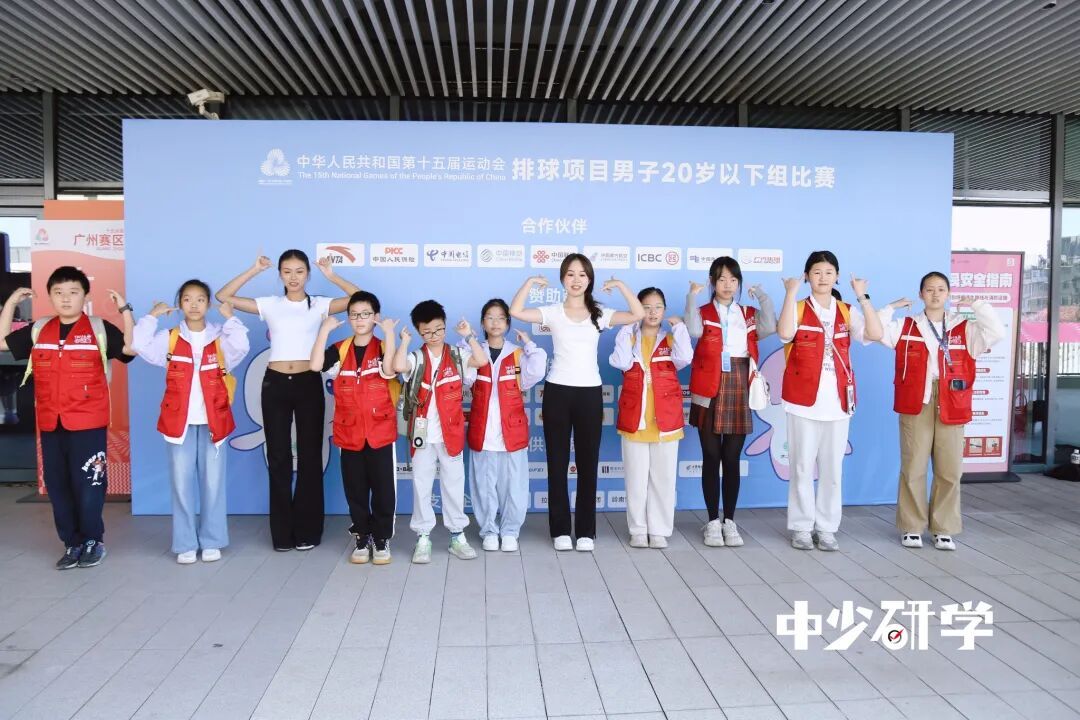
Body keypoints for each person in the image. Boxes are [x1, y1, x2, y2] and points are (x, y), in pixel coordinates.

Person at [216, 250, 358, 551]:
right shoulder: (270, 304)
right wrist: (254, 269)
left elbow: (360, 299)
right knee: (278, 457)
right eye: (287, 271)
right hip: (276, 384)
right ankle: (281, 534)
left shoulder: (319, 305)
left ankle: (308, 532)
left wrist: (332, 276)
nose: (293, 277)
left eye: (299, 271)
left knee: (310, 457)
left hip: (308, 382)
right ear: (280, 274)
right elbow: (223, 296)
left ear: (308, 274)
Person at [0, 267, 136, 569]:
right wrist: (11, 304)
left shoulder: (99, 329)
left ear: (85, 296)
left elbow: (130, 349)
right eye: (58, 293)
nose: (65, 299)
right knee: (58, 485)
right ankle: (72, 544)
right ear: (50, 296)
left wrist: (125, 311)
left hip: (89, 423)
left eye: (73, 292)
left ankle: (93, 541)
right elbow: (2, 342)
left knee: (89, 483)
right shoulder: (40, 329)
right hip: (51, 423)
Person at [510, 254, 645, 551]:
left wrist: (621, 285)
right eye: (570, 274)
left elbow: (636, 314)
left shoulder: (600, 313)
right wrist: (530, 282)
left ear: (590, 279)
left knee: (588, 464)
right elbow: (516, 310)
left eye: (582, 274)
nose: (576, 279)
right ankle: (560, 530)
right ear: (563, 279)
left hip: (589, 393)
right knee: (557, 464)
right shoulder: (553, 312)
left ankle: (585, 531)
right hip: (557, 391)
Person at [878, 272, 1005, 551]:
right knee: (913, 466)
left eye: (941, 289)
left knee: (950, 469)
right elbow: (874, 332)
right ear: (920, 294)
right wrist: (890, 308)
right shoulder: (907, 325)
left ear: (948, 294)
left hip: (952, 400)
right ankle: (911, 527)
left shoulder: (964, 327)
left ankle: (943, 529)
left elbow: (997, 333)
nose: (935, 294)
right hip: (917, 400)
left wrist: (978, 306)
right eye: (929, 289)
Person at [132, 280, 250, 564]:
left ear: (208, 304)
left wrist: (230, 318)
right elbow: (139, 345)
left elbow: (242, 346)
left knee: (213, 484)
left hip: (215, 421)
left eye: (200, 299)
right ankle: (185, 543)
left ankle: (212, 541)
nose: (194, 304)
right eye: (187, 299)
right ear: (180, 304)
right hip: (178, 424)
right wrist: (152, 316)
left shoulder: (220, 338)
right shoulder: (170, 338)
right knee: (181, 485)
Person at [777, 251, 882, 551]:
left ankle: (826, 528)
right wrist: (790, 293)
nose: (822, 278)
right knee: (801, 467)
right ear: (807, 276)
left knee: (832, 470)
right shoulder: (798, 308)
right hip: (802, 402)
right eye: (816, 272)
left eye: (828, 272)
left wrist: (862, 296)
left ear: (836, 276)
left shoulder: (847, 311)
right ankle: (801, 527)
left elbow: (875, 333)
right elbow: (785, 333)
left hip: (838, 402)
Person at [685, 257, 777, 548]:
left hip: (739, 381)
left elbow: (770, 326)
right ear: (712, 282)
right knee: (711, 456)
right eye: (722, 279)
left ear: (739, 283)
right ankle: (712, 521)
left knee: (732, 458)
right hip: (708, 384)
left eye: (733, 280)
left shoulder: (747, 313)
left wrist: (762, 296)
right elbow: (694, 331)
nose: (727, 285)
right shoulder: (702, 311)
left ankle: (730, 521)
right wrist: (692, 296)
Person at [393, 300, 488, 564]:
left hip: (451, 434)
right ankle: (423, 537)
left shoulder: (457, 355)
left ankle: (457, 535)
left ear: (445, 326)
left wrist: (468, 336)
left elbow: (481, 361)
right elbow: (399, 367)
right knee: (421, 484)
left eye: (439, 329)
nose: (434, 335)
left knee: (454, 485)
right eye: (427, 332)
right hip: (422, 434)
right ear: (419, 331)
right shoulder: (417, 357)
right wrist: (404, 342)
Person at [310, 291, 400, 565]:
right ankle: (362, 536)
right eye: (354, 315)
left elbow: (389, 371)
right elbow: (315, 365)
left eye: (365, 314)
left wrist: (389, 335)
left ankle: (381, 538)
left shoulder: (383, 347)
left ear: (375, 317)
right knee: (356, 490)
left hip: (380, 432)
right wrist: (324, 331)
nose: (360, 319)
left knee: (384, 490)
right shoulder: (340, 349)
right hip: (349, 432)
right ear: (348, 318)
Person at [462, 299, 547, 553]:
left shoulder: (517, 353)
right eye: (490, 317)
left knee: (514, 486)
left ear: (508, 323)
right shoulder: (475, 352)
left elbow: (536, 373)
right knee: (484, 485)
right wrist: (468, 341)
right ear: (482, 323)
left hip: (512, 431)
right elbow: (465, 376)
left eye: (501, 318)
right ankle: (489, 530)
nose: (495, 322)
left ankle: (510, 531)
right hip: (483, 429)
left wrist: (529, 345)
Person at [609, 288, 692, 549]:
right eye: (646, 307)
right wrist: (628, 327)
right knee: (635, 480)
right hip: (635, 419)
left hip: (666, 420)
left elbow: (685, 358)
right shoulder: (630, 337)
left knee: (663, 480)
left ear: (664, 310)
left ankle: (659, 530)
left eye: (658, 307)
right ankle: (638, 529)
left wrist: (680, 329)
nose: (653, 312)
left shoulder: (671, 339)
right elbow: (620, 362)